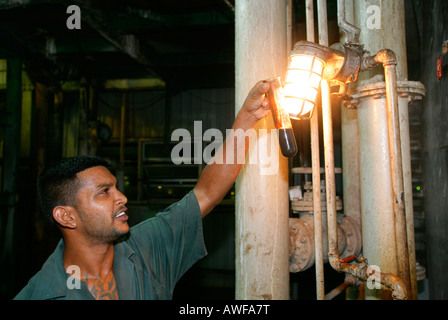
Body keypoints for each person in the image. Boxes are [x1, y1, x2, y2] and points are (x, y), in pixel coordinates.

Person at [14, 80, 273, 300]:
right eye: (104, 192)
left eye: (116, 187)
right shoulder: (42, 293)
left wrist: (247, 118)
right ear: (66, 216)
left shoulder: (146, 246)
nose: (122, 197)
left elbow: (207, 193)